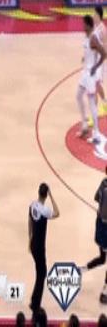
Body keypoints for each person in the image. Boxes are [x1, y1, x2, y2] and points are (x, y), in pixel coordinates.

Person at [28, 183, 59, 316]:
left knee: (40, 272)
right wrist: (52, 196)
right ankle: (35, 304)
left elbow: (29, 221)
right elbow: (57, 213)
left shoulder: (32, 205)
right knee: (42, 274)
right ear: (46, 195)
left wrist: (29, 238)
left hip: (33, 243)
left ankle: (34, 300)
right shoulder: (44, 210)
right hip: (40, 247)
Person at [77, 15, 106, 144]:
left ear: (88, 25)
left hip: (90, 74)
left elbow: (104, 53)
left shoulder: (93, 38)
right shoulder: (87, 36)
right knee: (78, 96)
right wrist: (85, 58)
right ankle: (84, 126)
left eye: (84, 24)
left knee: (92, 103)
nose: (82, 26)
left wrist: (96, 66)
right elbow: (89, 52)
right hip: (85, 72)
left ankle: (96, 134)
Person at [81, 168, 107, 304]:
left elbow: (96, 197)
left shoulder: (103, 183)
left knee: (102, 258)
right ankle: (105, 292)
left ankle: (81, 270)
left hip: (100, 226)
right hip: (106, 228)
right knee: (103, 259)